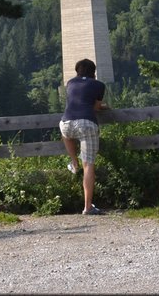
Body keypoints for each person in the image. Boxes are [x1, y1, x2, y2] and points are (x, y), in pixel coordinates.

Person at [59, 58, 108, 215]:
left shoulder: (70, 83)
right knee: (89, 165)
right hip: (86, 123)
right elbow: (96, 107)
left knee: (66, 134)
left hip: (66, 122)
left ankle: (74, 162)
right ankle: (87, 207)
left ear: (77, 71)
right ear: (94, 72)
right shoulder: (99, 85)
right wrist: (104, 107)